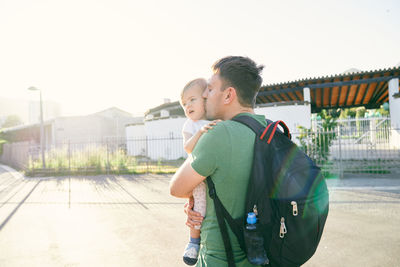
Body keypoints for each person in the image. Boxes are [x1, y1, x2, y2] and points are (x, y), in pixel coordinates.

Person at [170, 56, 265, 266]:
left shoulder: (216, 134)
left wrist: (192, 200)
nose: (205, 95)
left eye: (210, 90)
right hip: (261, 254)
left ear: (229, 94)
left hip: (221, 258)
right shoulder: (269, 131)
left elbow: (176, 188)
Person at [180, 78, 220, 265]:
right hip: (197, 174)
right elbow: (188, 148)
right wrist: (200, 132)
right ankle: (193, 242)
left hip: (215, 171)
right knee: (198, 207)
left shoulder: (215, 119)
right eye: (184, 104)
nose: (188, 106)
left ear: (205, 99)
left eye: (192, 100)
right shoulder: (190, 125)